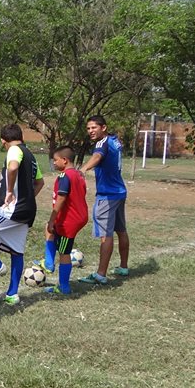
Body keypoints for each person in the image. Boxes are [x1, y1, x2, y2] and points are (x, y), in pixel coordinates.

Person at [0, 124, 44, 305]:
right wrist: (27, 199)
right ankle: (12, 294)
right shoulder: (31, 155)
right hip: (27, 210)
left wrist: (10, 192)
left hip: (13, 209)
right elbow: (40, 182)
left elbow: (12, 168)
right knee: (16, 251)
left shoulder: (14, 150)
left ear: (3, 140)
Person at [77, 115, 129, 284]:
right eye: (88, 128)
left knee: (105, 236)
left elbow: (97, 157)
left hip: (107, 195)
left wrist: (83, 169)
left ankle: (100, 275)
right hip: (120, 192)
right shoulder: (115, 141)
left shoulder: (102, 142)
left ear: (103, 127)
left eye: (94, 127)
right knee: (121, 230)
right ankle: (123, 267)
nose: (91, 131)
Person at [37, 146, 88, 294]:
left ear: (64, 160)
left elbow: (62, 197)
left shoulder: (65, 176)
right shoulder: (78, 175)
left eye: (55, 160)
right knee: (48, 228)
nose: (53, 163)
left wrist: (53, 218)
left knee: (64, 253)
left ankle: (63, 287)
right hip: (78, 216)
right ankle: (48, 263)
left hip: (70, 220)